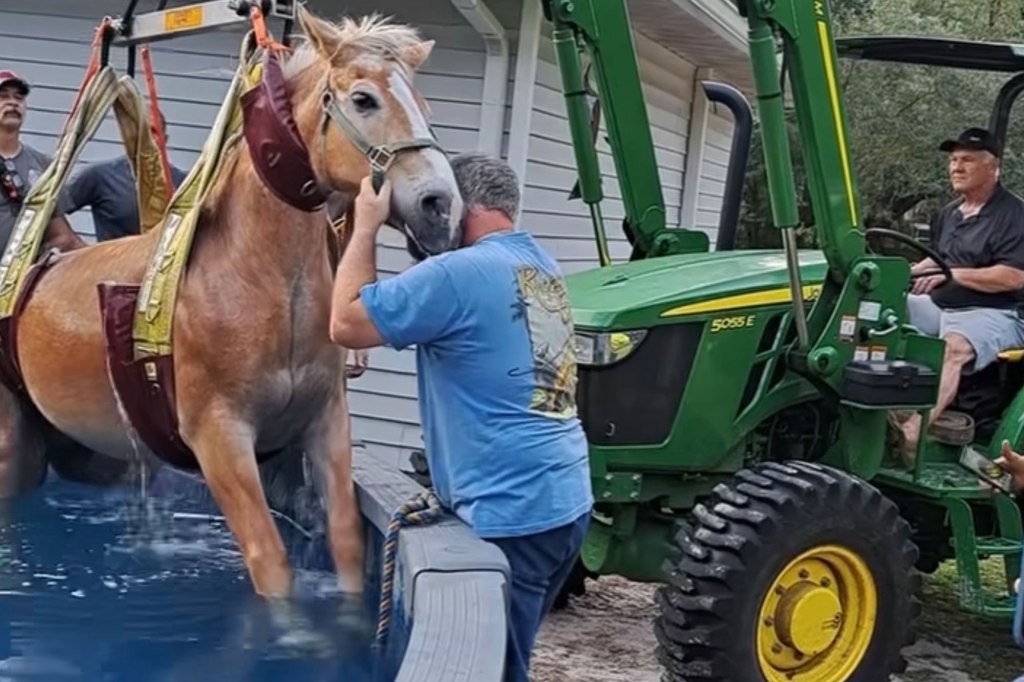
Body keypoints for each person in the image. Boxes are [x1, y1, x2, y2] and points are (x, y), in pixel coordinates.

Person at [328, 152, 593, 682]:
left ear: (457, 205)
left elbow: (346, 323)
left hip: (511, 513)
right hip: (564, 502)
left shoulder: (461, 273)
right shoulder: (537, 261)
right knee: (508, 658)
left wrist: (365, 228)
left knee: (489, 671)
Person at [894, 127, 1024, 461]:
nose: (956, 167)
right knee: (881, 311)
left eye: (967, 160)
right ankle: (880, 406)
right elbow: (937, 257)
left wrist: (948, 274)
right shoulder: (950, 212)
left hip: (992, 313)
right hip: (941, 305)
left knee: (953, 347)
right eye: (953, 160)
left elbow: (1012, 277)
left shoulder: (1014, 215)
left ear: (993, 167)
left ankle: (911, 435)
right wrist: (903, 273)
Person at [56, 111, 187, 242]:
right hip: (112, 260)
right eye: (139, 130)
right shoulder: (100, 176)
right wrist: (71, 242)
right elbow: (50, 209)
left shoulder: (182, 184)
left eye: (153, 131)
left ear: (165, 139)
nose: (146, 137)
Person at [0, 69, 83, 253]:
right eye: (3, 97)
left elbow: (61, 235)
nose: (13, 103)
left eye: (19, 98)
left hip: (21, 276)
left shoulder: (43, 164)